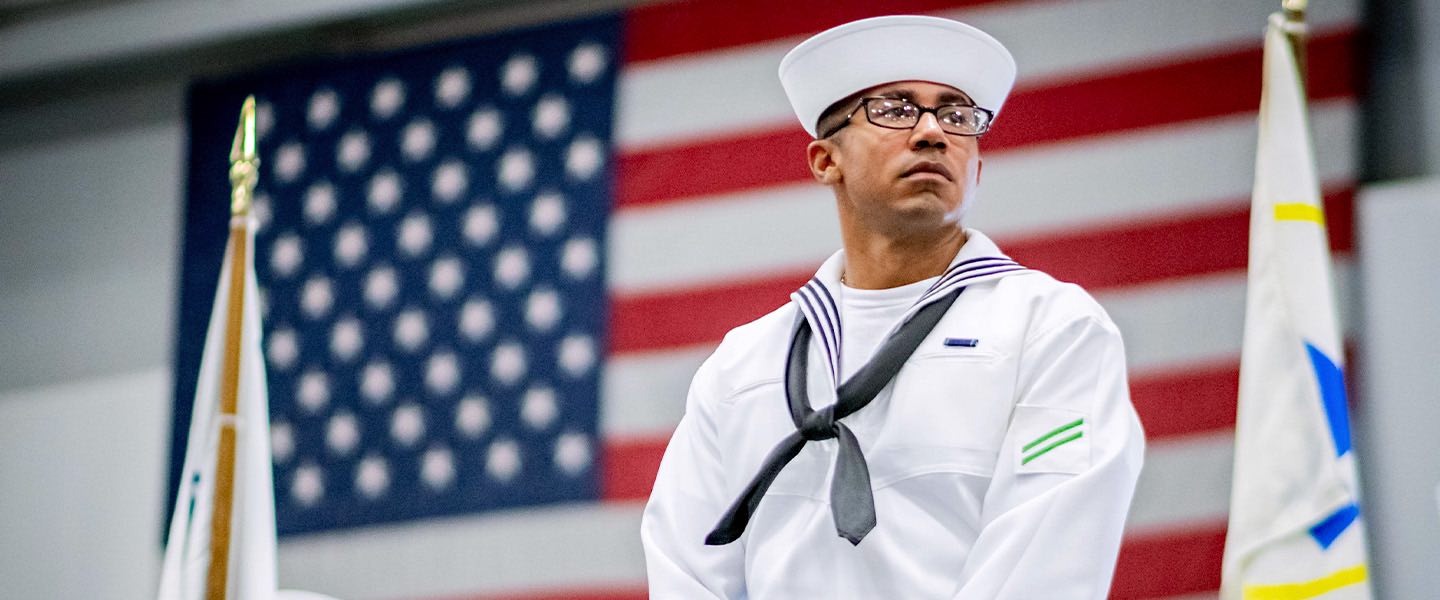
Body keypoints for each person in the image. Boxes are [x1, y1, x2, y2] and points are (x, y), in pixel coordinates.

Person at [640, 15, 1145, 599]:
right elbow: (687, 571)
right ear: (826, 161)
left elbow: (1044, 567)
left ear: (976, 170)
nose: (933, 132)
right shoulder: (741, 367)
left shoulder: (1053, 329)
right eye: (896, 108)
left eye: (957, 116)